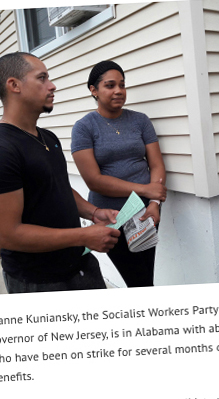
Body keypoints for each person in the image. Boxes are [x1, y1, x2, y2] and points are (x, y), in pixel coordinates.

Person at [0, 52, 120, 294]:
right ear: (14, 85)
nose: (52, 85)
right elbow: (9, 235)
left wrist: (94, 211)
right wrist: (83, 236)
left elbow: (59, 188)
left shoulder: (48, 138)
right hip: (38, 282)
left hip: (82, 266)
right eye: (42, 78)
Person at [71, 60, 167, 287]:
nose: (118, 91)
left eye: (122, 85)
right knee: (136, 279)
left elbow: (156, 164)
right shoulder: (84, 127)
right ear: (93, 90)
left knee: (147, 273)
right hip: (111, 216)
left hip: (146, 211)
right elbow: (94, 181)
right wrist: (145, 189)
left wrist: (153, 202)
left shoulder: (140, 120)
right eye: (110, 85)